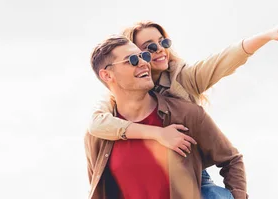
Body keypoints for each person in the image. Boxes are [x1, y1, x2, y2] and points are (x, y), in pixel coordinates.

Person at [88, 12, 278, 198]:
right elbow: (96, 126)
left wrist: (267, 35)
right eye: (148, 49)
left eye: (164, 42)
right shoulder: (111, 111)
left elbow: (225, 60)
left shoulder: (184, 80)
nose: (159, 50)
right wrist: (157, 134)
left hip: (195, 169)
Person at [84, 35, 246, 199]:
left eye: (143, 56)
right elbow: (98, 187)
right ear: (107, 75)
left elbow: (231, 160)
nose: (143, 63)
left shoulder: (186, 115)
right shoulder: (97, 135)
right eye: (131, 60)